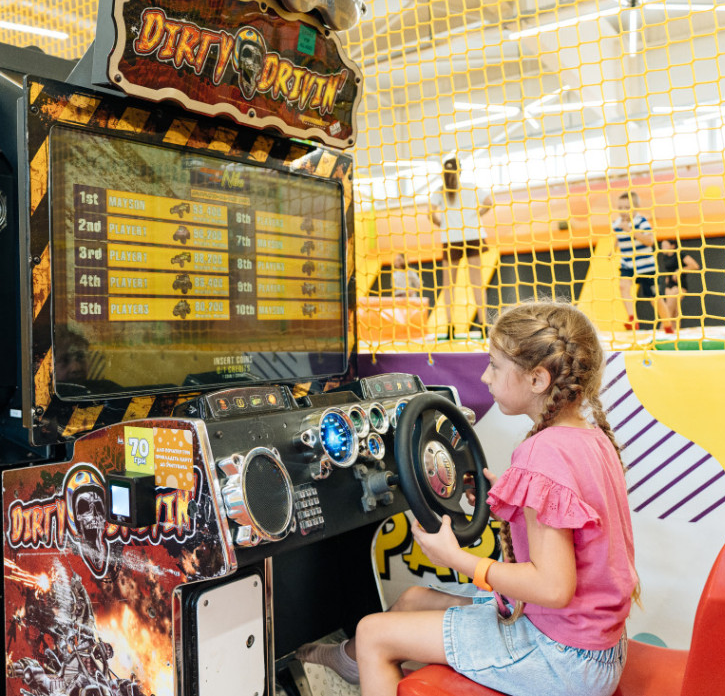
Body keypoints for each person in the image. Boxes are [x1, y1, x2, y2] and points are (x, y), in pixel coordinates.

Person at [297, 301, 637, 696]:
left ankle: (358, 658)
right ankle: (348, 663)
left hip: (562, 658)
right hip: (595, 650)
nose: (485, 376)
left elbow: (552, 588)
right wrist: (510, 502)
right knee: (412, 599)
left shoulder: (542, 452)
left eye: (495, 366)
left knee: (372, 632)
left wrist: (457, 559)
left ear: (538, 379)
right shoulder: (590, 437)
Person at [430, 152, 493, 337]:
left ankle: (450, 328)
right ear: (460, 171)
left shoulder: (439, 191)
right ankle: (483, 326)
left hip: (451, 238)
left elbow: (430, 213)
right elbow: (489, 202)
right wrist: (477, 215)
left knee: (449, 285)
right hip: (472, 235)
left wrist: (441, 223)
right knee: (477, 282)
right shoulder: (470, 187)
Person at [612, 191, 657, 330]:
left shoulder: (641, 222)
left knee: (654, 299)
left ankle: (668, 324)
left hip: (645, 265)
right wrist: (613, 248)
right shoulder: (617, 223)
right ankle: (632, 319)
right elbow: (618, 237)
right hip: (627, 263)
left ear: (636, 208)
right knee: (623, 286)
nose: (623, 211)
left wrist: (630, 230)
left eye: (627, 208)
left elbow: (649, 241)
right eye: (620, 208)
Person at [655, 238, 700, 336]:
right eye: (662, 246)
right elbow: (669, 269)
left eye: (665, 245)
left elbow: (695, 266)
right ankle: (675, 331)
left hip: (679, 285)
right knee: (675, 310)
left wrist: (679, 270)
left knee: (669, 307)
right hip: (669, 285)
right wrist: (668, 277)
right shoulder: (665, 257)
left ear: (672, 246)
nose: (663, 248)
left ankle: (663, 329)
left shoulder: (680, 254)